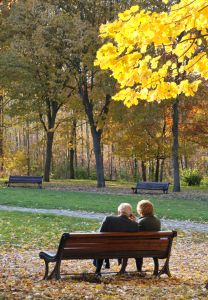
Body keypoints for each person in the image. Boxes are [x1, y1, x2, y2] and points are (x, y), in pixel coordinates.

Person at [94, 203, 138, 275]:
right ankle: (122, 269)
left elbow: (100, 234)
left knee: (101, 245)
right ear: (130, 214)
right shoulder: (134, 225)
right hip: (125, 250)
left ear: (118, 212)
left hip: (107, 249)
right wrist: (134, 221)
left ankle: (98, 271)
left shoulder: (109, 219)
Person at [120, 200, 161, 274]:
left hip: (140, 248)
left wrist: (132, 222)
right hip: (155, 248)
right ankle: (153, 269)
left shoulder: (141, 221)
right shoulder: (157, 220)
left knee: (127, 245)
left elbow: (134, 232)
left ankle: (124, 269)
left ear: (140, 210)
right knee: (140, 244)